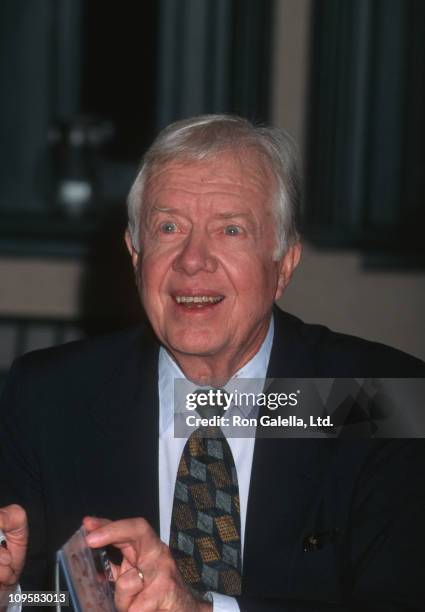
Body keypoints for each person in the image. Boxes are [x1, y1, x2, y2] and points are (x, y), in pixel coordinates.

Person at [1, 114, 424, 612]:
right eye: (169, 227)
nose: (193, 259)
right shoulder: (50, 397)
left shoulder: (376, 402)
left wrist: (202, 611)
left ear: (283, 263)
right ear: (136, 254)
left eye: (230, 229)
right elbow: (40, 599)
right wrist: (11, 597)